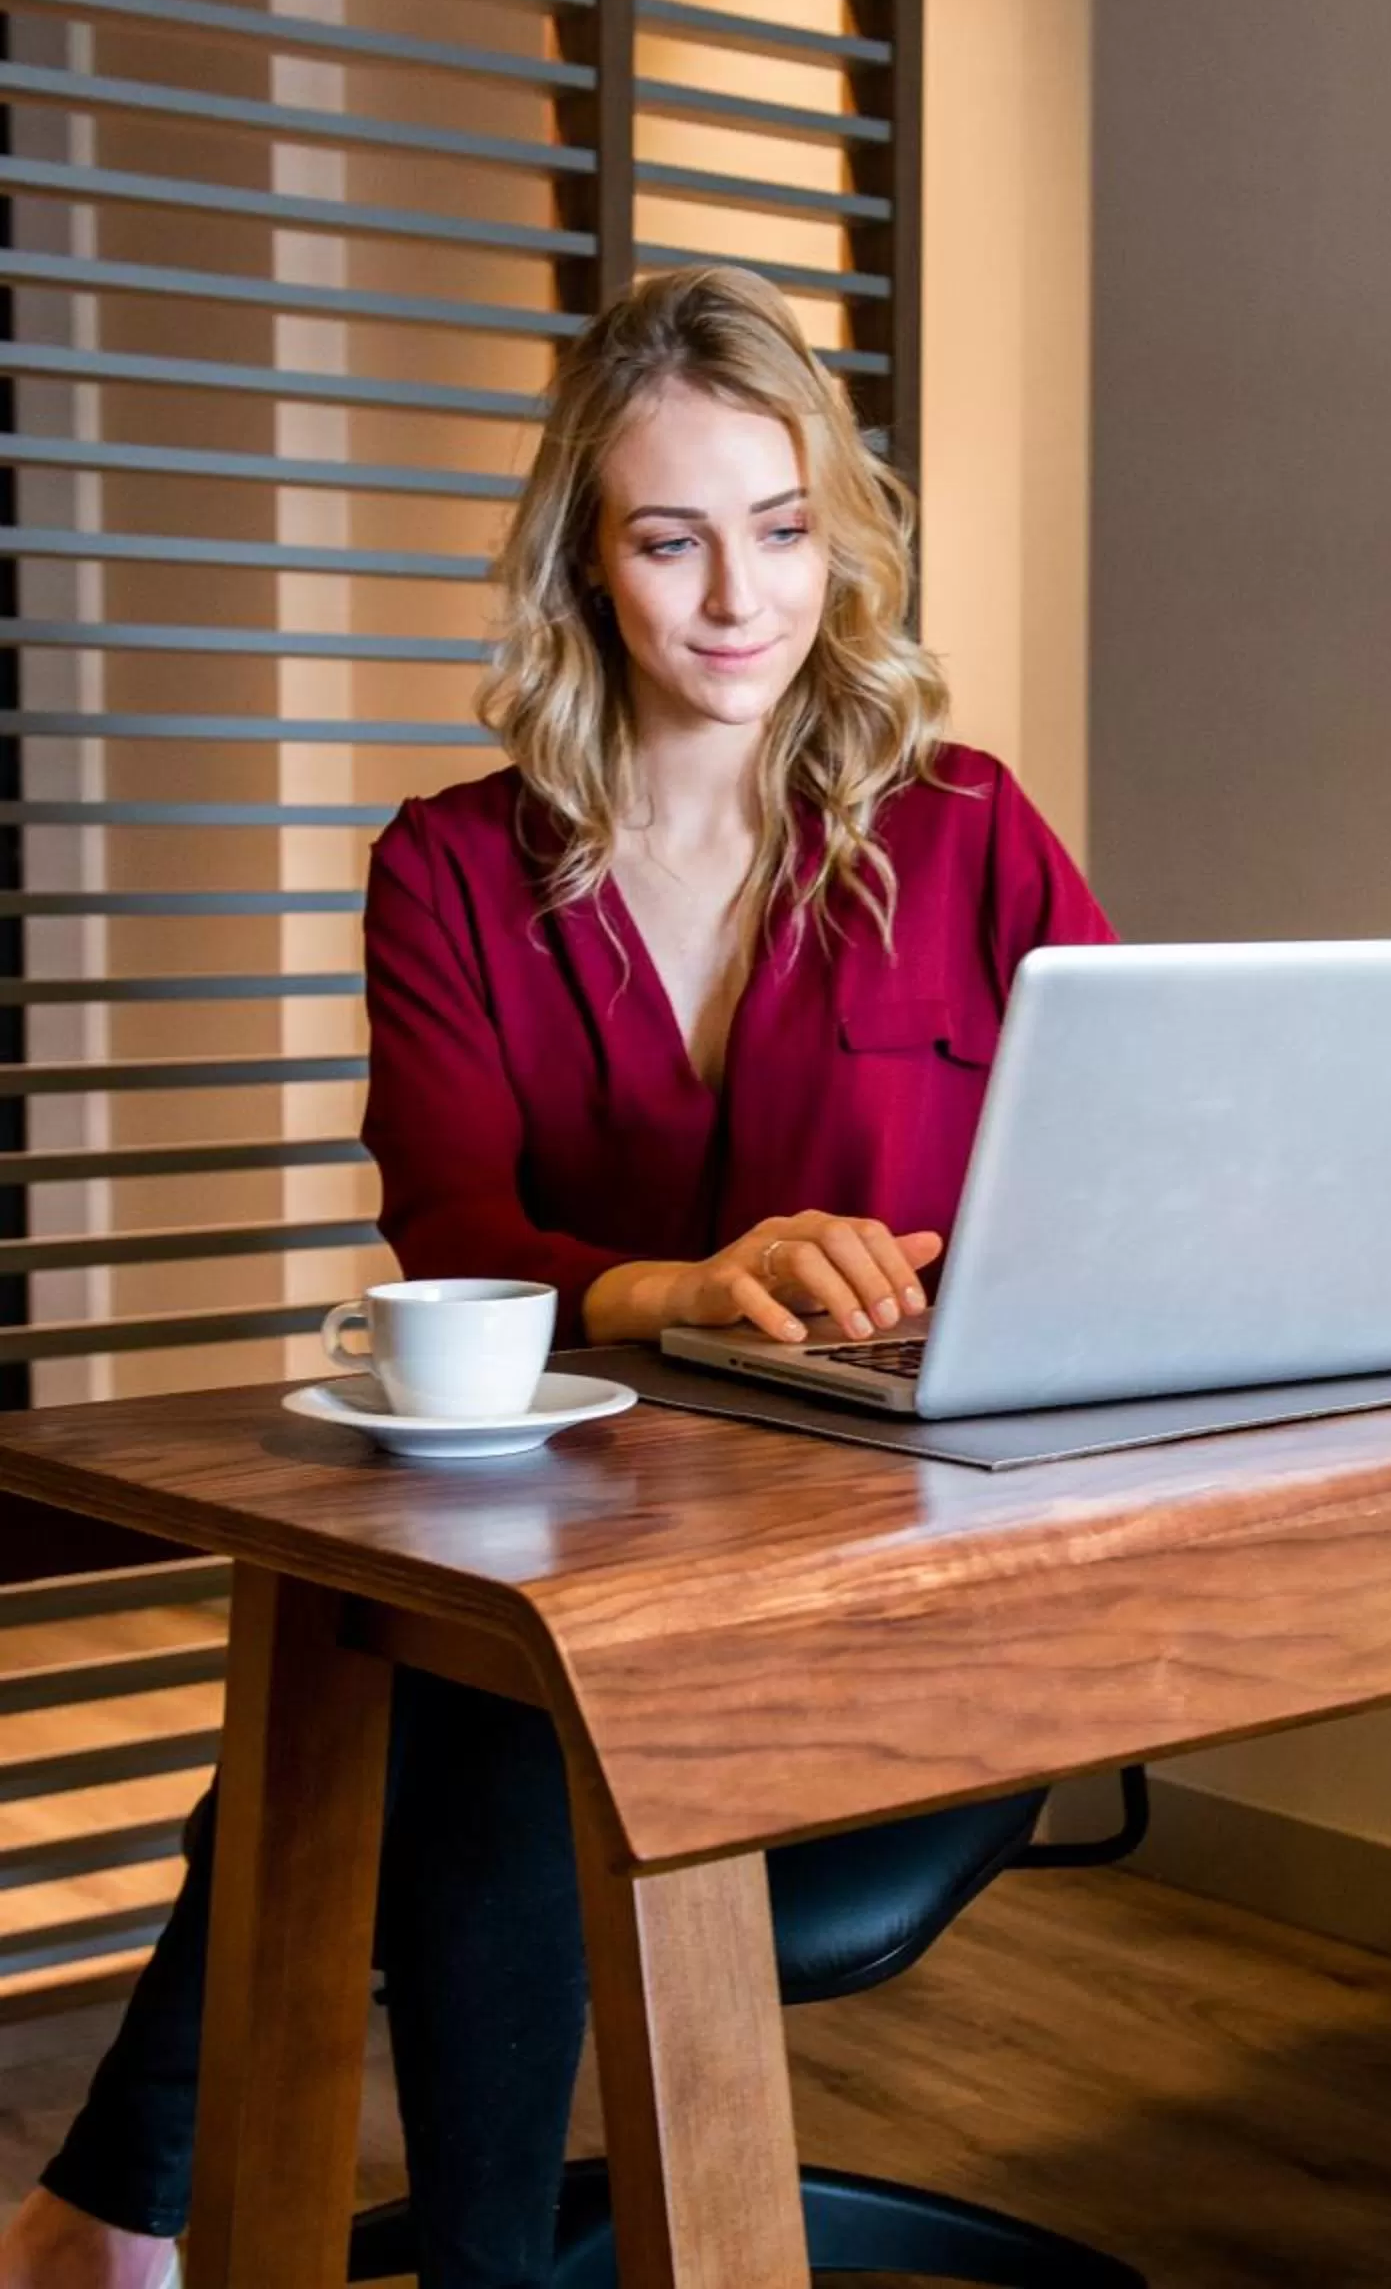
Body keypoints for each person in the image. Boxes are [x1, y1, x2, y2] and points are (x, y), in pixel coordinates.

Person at [0, 263, 1114, 2289]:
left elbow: (1135, 1164)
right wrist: (689, 1288)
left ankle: (116, 2213)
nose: (733, 599)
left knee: (430, 1681)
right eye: (668, 538)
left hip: (899, 1579)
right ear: (585, 565)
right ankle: (218, 2231)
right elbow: (455, 1232)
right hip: (577, 1575)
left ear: (835, 539)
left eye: (779, 531)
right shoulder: (447, 864)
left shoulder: (968, 837)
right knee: (493, 1649)